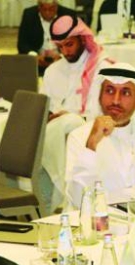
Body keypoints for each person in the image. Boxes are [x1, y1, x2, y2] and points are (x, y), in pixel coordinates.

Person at [65, 63, 135, 206]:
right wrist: (91, 146)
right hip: (94, 219)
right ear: (99, 96)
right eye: (109, 91)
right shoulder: (79, 137)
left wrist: (105, 198)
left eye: (125, 93)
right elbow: (78, 200)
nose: (115, 100)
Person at [41, 15, 106, 210]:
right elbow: (44, 107)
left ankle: (67, 199)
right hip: (54, 130)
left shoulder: (102, 67)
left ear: (82, 39)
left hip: (89, 130)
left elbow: (106, 112)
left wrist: (72, 117)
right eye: (60, 47)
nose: (65, 52)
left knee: (71, 123)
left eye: (69, 44)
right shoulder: (53, 71)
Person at [18, 0, 74, 75]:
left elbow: (75, 43)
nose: (47, 12)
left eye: (51, 9)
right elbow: (22, 43)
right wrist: (34, 56)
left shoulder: (68, 14)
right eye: (44, 9)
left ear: (56, 7)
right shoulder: (29, 14)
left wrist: (62, 56)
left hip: (63, 61)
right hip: (37, 61)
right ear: (39, 8)